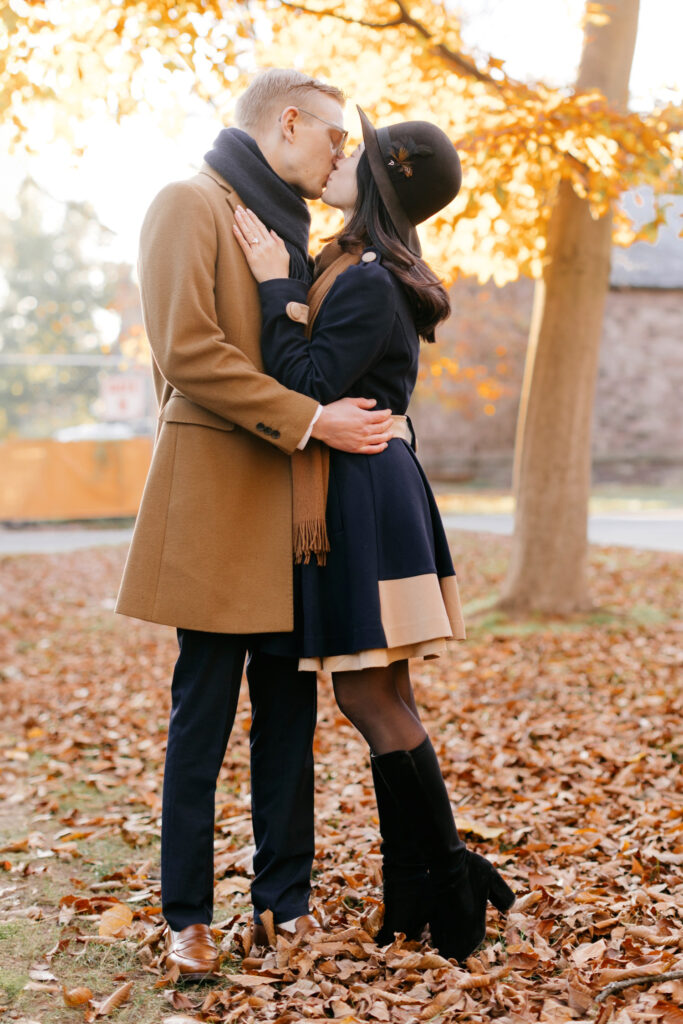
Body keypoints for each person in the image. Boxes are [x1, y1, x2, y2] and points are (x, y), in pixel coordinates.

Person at [116, 71, 397, 981]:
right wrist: (311, 420)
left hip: (292, 511)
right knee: (200, 721)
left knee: (287, 721)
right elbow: (187, 351)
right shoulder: (186, 202)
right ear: (288, 123)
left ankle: (286, 905)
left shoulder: (291, 230)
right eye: (334, 140)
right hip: (213, 502)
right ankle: (187, 918)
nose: (340, 158)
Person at [232, 106, 515, 963]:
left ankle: (449, 876)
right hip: (371, 489)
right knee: (385, 696)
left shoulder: (364, 278)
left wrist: (274, 286)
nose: (341, 153)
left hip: (364, 495)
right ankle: (419, 888)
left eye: (358, 148)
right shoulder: (363, 265)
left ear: (385, 181)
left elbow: (309, 382)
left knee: (366, 696)